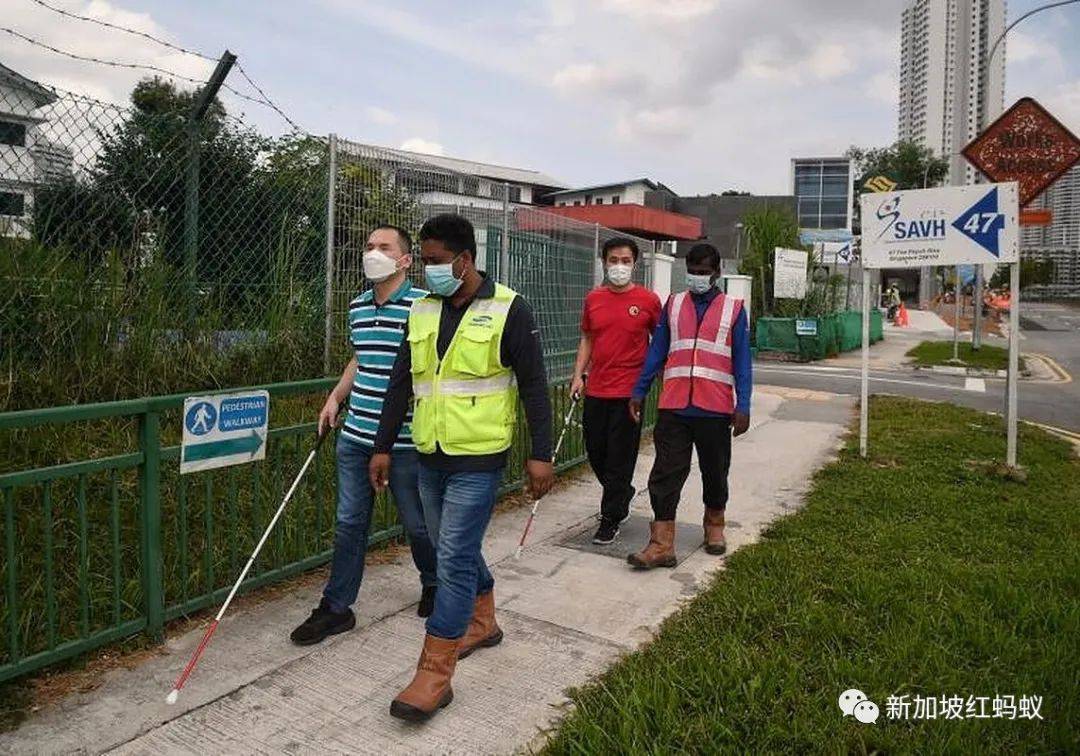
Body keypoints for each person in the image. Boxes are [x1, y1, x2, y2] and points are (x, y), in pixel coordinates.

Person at [370, 213, 553, 722]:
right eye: (424, 261)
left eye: (433, 261)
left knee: (451, 557)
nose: (427, 270)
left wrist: (542, 454)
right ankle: (484, 620)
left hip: (479, 459)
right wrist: (383, 446)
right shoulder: (422, 310)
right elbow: (401, 383)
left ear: (465, 260)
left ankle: (434, 673)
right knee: (445, 541)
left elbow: (535, 386)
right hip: (429, 454)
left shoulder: (508, 308)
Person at [289, 225, 438, 646]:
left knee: (418, 524)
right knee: (349, 522)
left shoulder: (425, 307)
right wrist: (336, 397)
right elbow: (361, 358)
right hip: (355, 436)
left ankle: (435, 583)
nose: (373, 252)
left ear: (406, 260)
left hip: (406, 442)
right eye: (369, 246)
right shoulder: (357, 306)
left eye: (384, 247)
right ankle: (336, 607)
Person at [627, 243, 752, 569]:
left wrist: (744, 405)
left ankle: (714, 525)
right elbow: (658, 352)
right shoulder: (673, 305)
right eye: (692, 272)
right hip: (674, 406)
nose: (697, 278)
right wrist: (639, 390)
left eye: (703, 272)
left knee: (715, 472)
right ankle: (661, 543)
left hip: (715, 407)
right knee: (665, 474)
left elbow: (742, 363)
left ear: (717, 273)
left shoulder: (734, 309)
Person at [570, 237, 661, 545]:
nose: (619, 266)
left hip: (630, 392)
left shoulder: (648, 300)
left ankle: (610, 517)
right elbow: (587, 339)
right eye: (613, 260)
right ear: (604, 262)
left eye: (625, 261)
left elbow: (658, 342)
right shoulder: (594, 299)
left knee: (621, 457)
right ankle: (621, 492)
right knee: (596, 452)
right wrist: (578, 376)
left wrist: (649, 381)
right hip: (597, 387)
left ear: (634, 264)